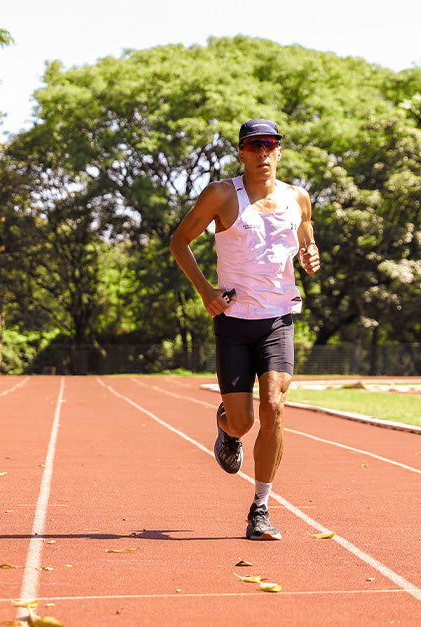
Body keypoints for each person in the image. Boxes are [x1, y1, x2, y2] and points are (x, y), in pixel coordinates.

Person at [169, 118, 321, 541]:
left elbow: (306, 235)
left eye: (270, 145)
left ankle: (260, 507)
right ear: (241, 152)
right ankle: (225, 428)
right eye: (254, 146)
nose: (262, 153)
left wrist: (311, 254)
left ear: (280, 150)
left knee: (275, 407)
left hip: (278, 319)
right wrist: (205, 292)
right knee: (243, 421)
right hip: (234, 322)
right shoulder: (221, 194)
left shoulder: (298, 197)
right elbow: (179, 241)